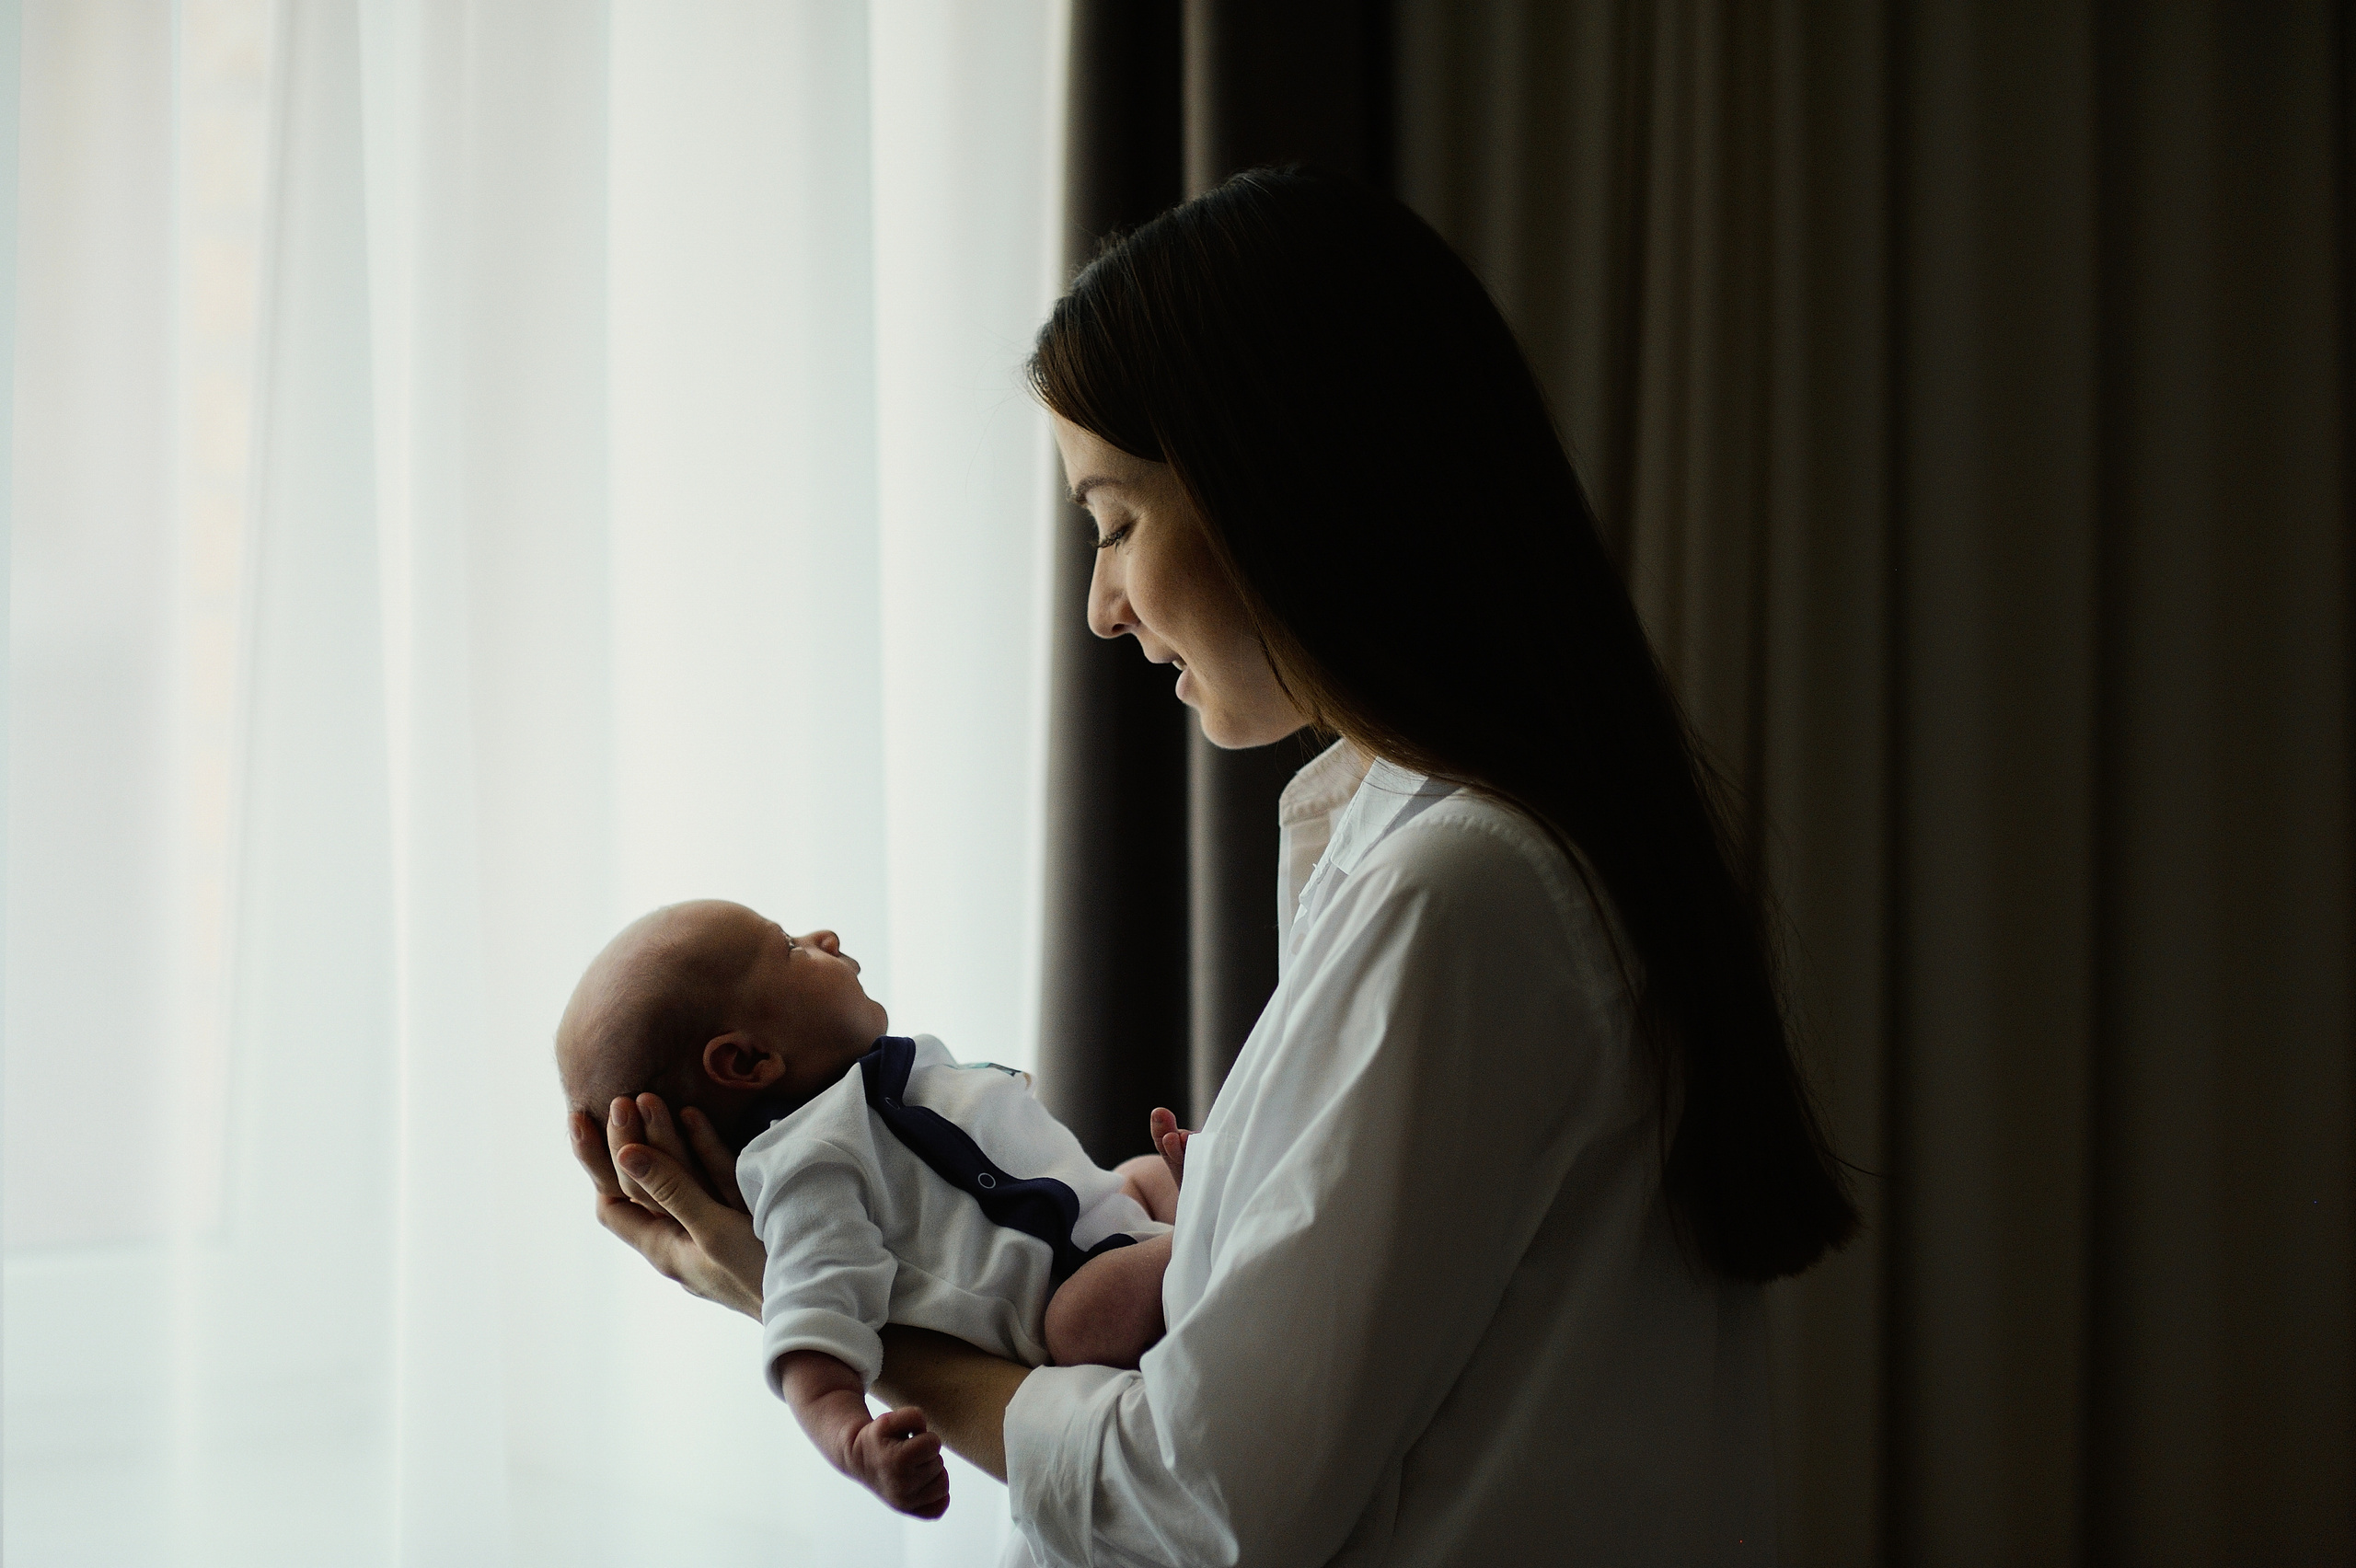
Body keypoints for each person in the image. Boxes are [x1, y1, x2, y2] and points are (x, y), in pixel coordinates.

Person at [571, 166, 1858, 1565]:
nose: (1102, 607)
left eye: (1116, 521)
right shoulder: (1423, 845)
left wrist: (845, 1328)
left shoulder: (1463, 897)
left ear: (1278, 486)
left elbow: (1206, 1500)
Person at [556, 899, 1183, 1519]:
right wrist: (852, 1442)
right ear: (747, 1060)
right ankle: (1207, 1232)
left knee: (1140, 1175)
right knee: (1084, 1314)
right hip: (1075, 1307)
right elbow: (806, 1327)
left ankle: (1194, 1222)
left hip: (1111, 1227)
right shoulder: (808, 1167)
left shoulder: (887, 1079)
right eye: (790, 948)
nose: (823, 935)